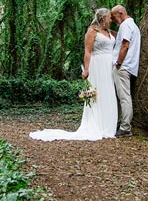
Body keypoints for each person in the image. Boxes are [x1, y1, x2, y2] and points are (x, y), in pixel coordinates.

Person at [29, 8, 118, 141]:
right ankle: (97, 125)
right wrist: (86, 69)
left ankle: (108, 124)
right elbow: (87, 51)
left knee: (108, 93)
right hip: (97, 65)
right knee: (97, 94)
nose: (112, 20)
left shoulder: (109, 32)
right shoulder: (92, 31)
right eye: (110, 17)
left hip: (109, 66)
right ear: (103, 18)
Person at [111, 4, 141, 138]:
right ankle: (120, 123)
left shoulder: (125, 25)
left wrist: (118, 63)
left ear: (121, 13)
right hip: (130, 66)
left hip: (123, 66)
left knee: (124, 98)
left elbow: (125, 45)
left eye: (114, 16)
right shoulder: (132, 25)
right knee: (123, 97)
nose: (113, 19)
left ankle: (125, 127)